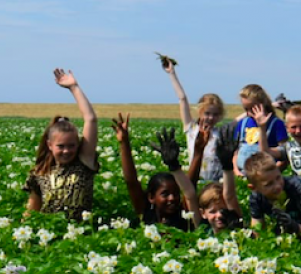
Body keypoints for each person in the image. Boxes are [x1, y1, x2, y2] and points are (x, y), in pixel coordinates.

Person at [25, 69, 99, 220]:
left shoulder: (84, 162)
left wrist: (74, 88)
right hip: (51, 234)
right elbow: (32, 211)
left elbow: (90, 119)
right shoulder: (39, 172)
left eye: (71, 145)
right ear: (50, 145)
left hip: (81, 234)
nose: (66, 151)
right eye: (61, 146)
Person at [110, 114, 203, 231]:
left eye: (176, 193)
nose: (172, 198)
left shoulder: (184, 213)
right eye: (165, 194)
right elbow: (131, 182)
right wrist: (124, 142)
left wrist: (199, 151)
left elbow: (190, 187)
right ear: (151, 197)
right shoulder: (146, 212)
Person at [159, 53, 227, 182]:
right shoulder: (191, 128)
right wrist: (172, 73)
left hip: (215, 182)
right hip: (194, 180)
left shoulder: (220, 133)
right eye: (207, 113)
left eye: (215, 114)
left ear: (220, 116)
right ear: (200, 112)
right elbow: (182, 98)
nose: (211, 118)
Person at [244, 153, 301, 235]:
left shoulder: (298, 188)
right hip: (288, 229)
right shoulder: (256, 198)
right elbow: (258, 231)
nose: (277, 186)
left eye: (278, 177)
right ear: (254, 188)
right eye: (269, 184)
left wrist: (296, 227)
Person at [234, 84, 288, 176]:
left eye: (253, 108)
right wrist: (236, 171)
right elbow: (236, 152)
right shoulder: (243, 123)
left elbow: (285, 155)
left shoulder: (276, 123)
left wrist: (273, 173)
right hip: (242, 173)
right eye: (246, 109)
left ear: (263, 104)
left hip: (265, 175)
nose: (249, 112)